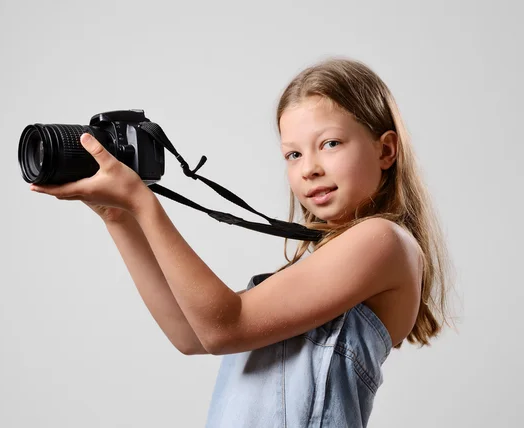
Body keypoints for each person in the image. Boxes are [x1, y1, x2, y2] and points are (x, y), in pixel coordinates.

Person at [30, 56, 455, 427]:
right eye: (294, 154)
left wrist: (144, 204)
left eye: (329, 144)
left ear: (386, 151)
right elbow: (191, 334)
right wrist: (118, 216)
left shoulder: (383, 241)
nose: (309, 169)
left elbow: (225, 327)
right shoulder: (323, 259)